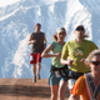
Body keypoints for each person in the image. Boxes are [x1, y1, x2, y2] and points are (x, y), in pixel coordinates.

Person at [61, 25, 98, 89]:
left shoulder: (90, 44)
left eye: (82, 30)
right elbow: (62, 60)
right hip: (73, 73)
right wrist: (67, 62)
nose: (80, 31)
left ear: (84, 32)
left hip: (86, 73)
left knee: (84, 96)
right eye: (78, 29)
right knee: (74, 95)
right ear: (74, 32)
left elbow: (98, 56)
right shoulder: (69, 44)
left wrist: (88, 60)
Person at [41, 28, 68, 100]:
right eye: (60, 34)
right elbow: (43, 54)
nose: (61, 35)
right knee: (54, 96)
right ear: (56, 35)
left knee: (61, 94)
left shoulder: (67, 45)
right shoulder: (53, 44)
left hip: (64, 70)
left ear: (65, 35)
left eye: (63, 33)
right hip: (54, 70)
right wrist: (55, 55)